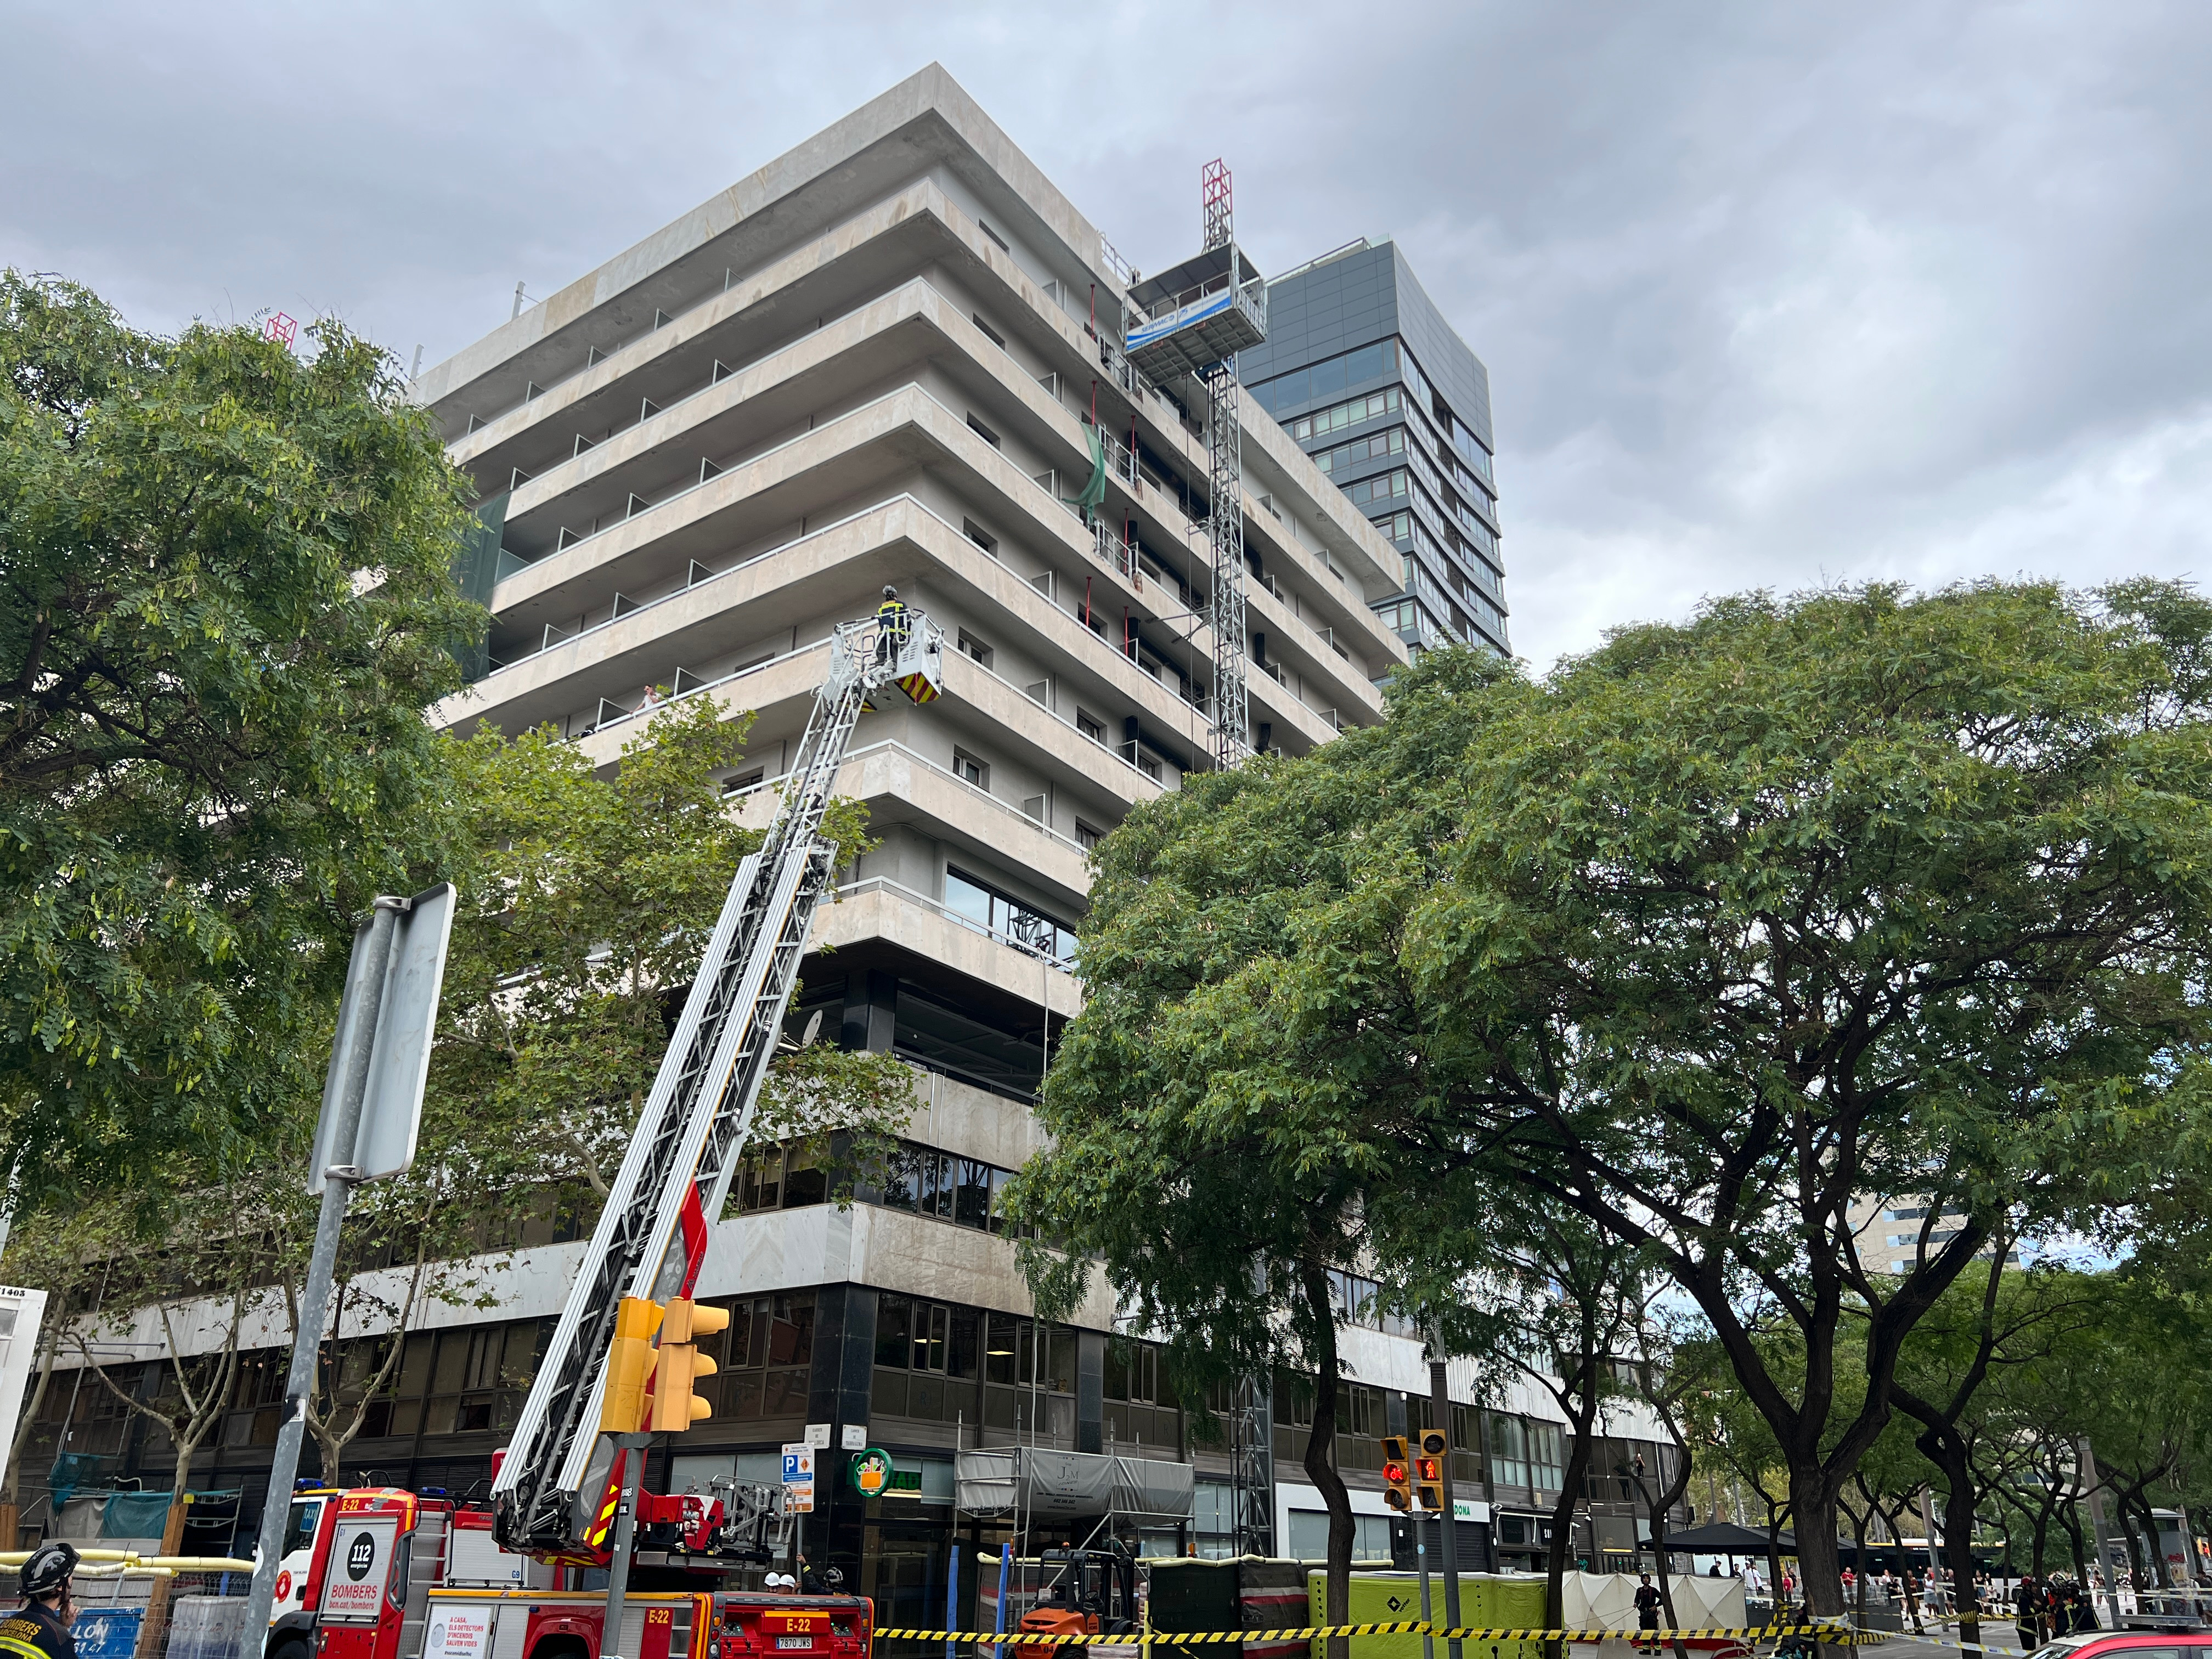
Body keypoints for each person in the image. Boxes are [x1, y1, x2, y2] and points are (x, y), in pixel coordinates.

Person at [0, 1541, 78, 1659]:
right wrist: (62, 1630)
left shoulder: (6, 1625)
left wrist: (61, 1626)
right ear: (60, 1587)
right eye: (70, 1578)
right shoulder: (60, 1640)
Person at [874, 585, 911, 664]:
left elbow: (881, 621)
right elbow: (908, 620)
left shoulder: (881, 608)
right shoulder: (901, 605)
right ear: (895, 595)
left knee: (882, 654)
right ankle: (895, 664)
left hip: (884, 635)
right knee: (896, 656)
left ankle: (880, 663)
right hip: (897, 635)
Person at [1634, 1573, 1663, 1652]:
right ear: (1642, 1580)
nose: (1646, 1580)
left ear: (1649, 1580)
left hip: (1651, 1613)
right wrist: (1636, 1604)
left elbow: (1663, 1599)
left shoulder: (1653, 1590)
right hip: (1643, 1613)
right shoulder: (1639, 1590)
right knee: (1644, 1631)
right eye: (1644, 1578)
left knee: (1654, 1631)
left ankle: (1658, 1649)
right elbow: (1637, 1600)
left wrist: (1656, 1606)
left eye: (1647, 1578)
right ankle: (1646, 1650)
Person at [2015, 1575, 2042, 1652]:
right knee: (2028, 1650)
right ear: (2027, 1587)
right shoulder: (2023, 1597)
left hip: (2029, 1627)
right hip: (2025, 1628)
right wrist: (2035, 1608)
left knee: (2031, 1650)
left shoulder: (2030, 1596)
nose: (2036, 1588)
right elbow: (2025, 1612)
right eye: (2033, 1586)